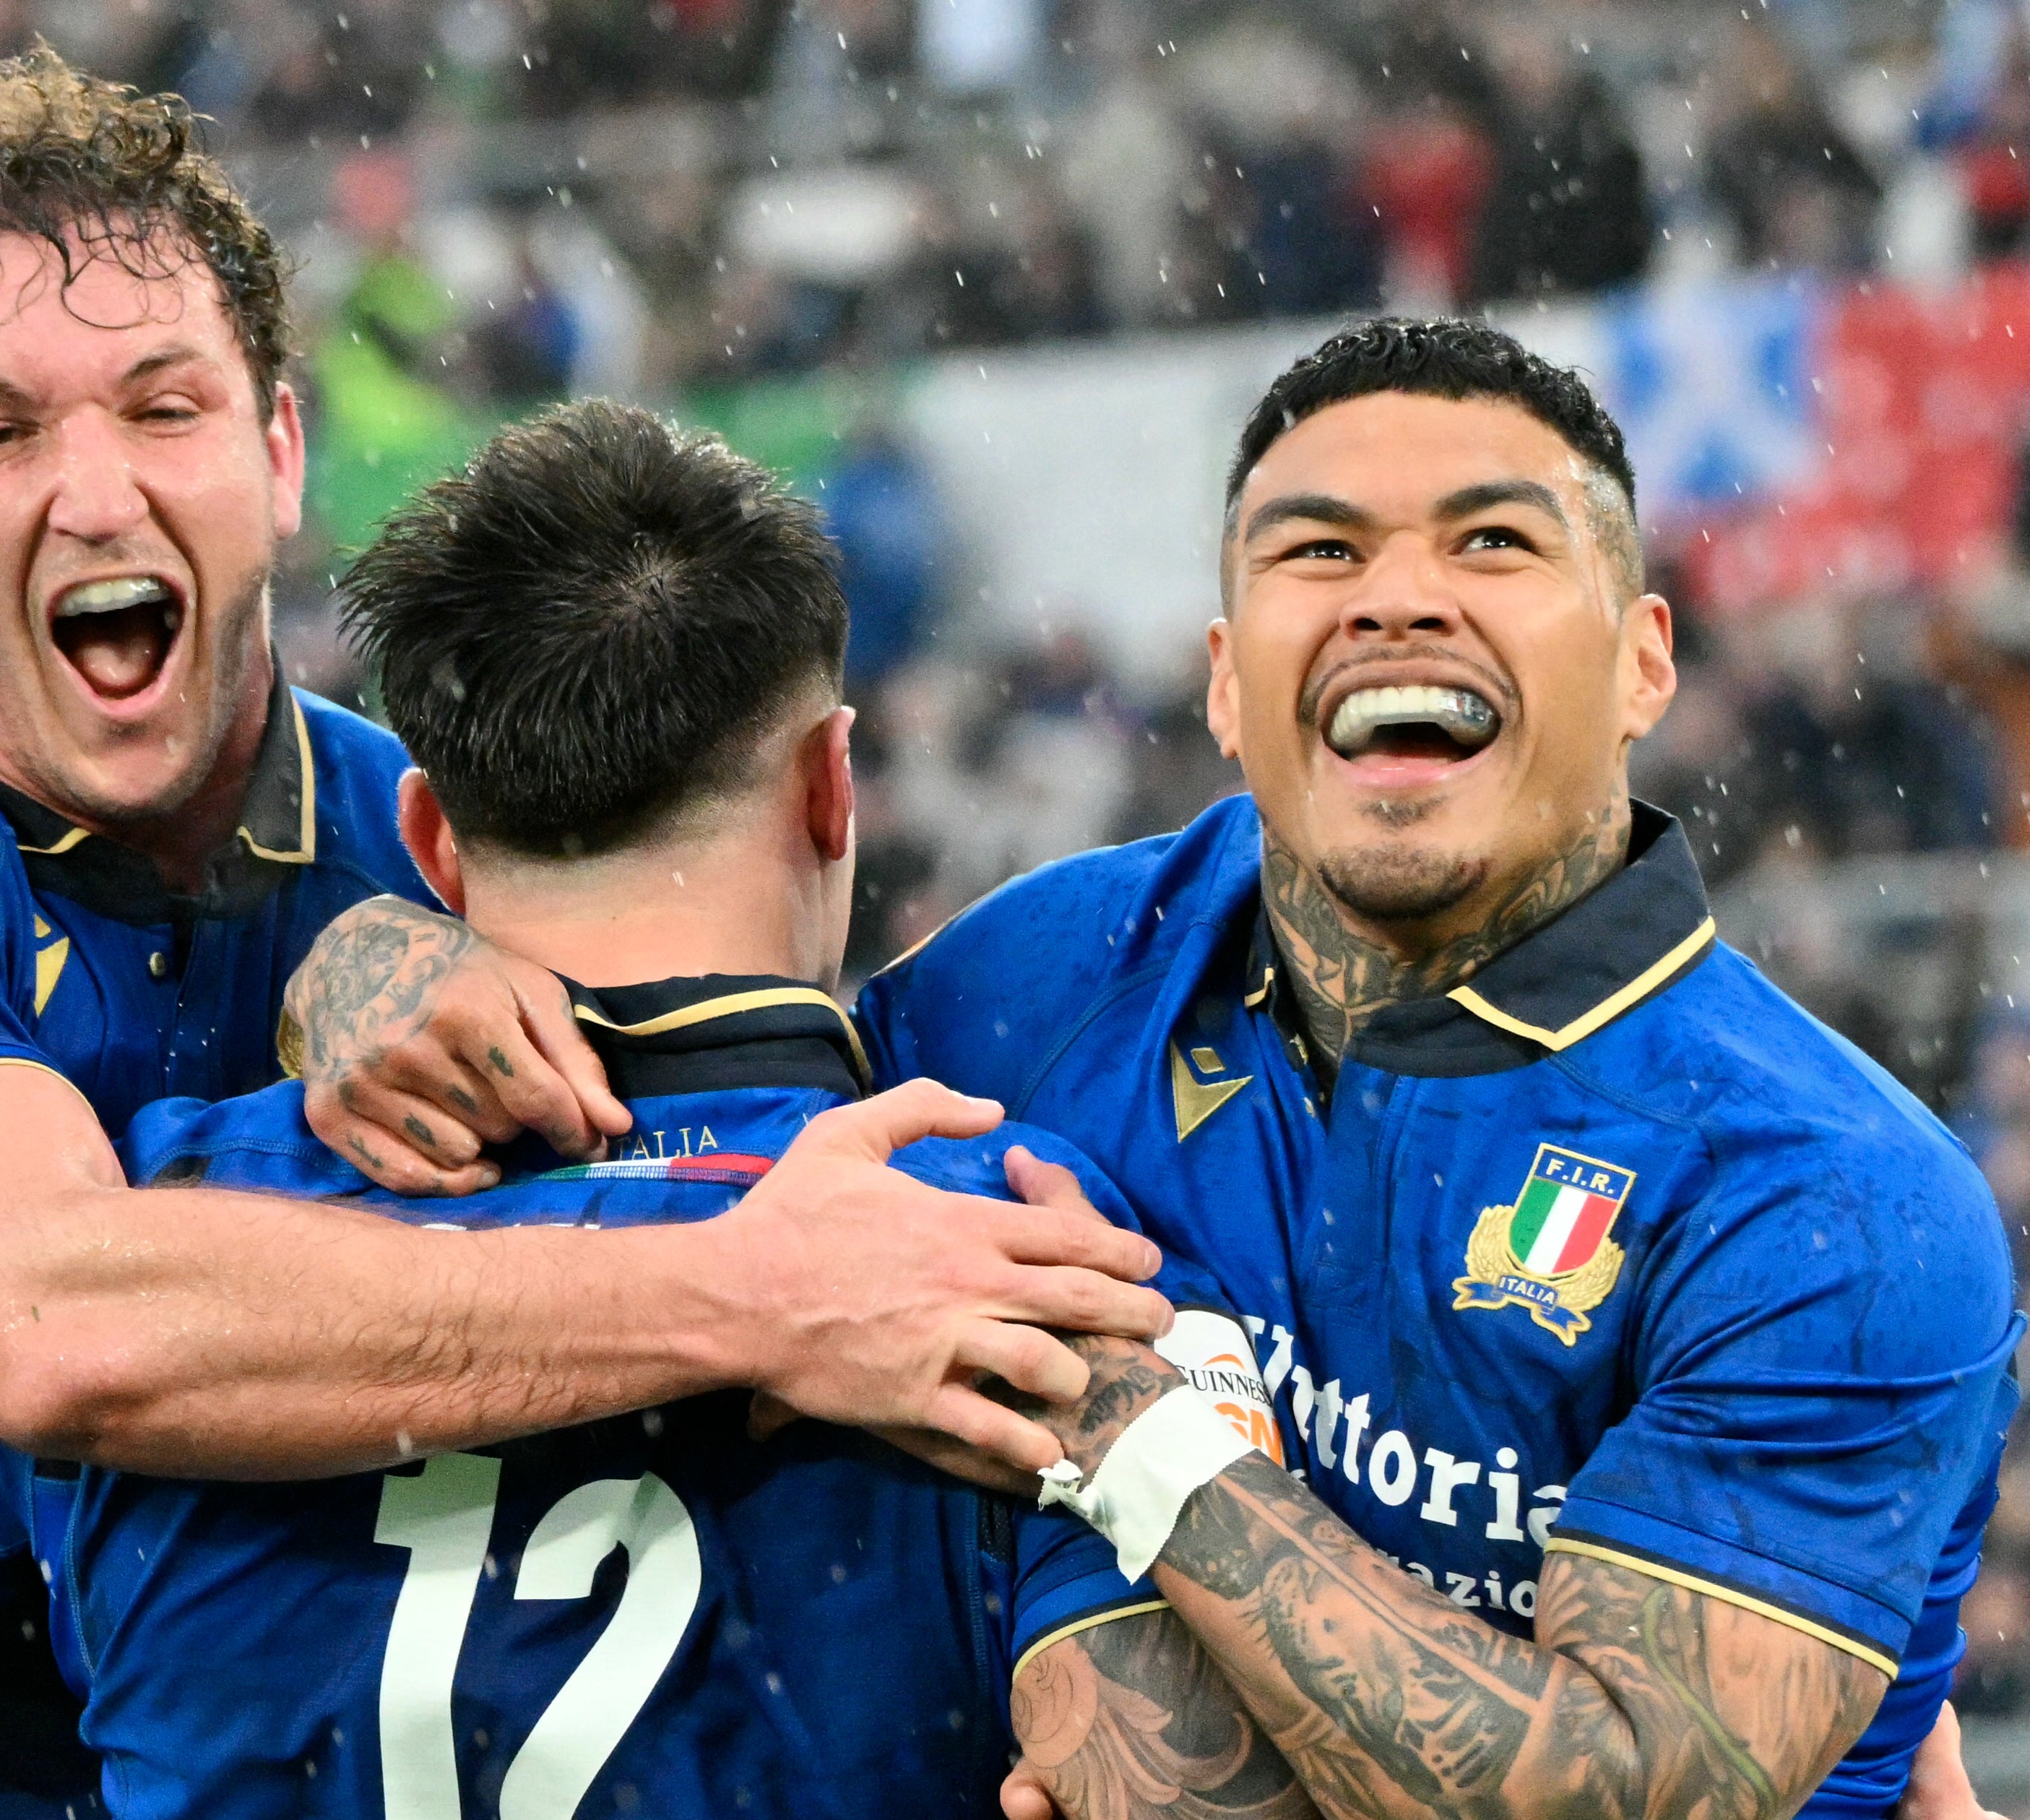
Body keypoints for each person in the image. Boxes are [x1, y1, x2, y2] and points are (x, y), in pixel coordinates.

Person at [0, 46, 1162, 1820]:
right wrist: (748, 1292)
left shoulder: (436, 827)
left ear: (281, 450)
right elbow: (47, 1337)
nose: (94, 492)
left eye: (163, 408)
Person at [294, 319, 2023, 1819]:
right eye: (1317, 553)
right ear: (1221, 681)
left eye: (1493, 543)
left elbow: (1608, 1793)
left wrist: (1150, 1451)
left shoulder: (1836, 1203)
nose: (1399, 598)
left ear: (1646, 658)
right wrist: (374, 959)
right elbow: (674, 1080)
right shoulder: (1037, 986)